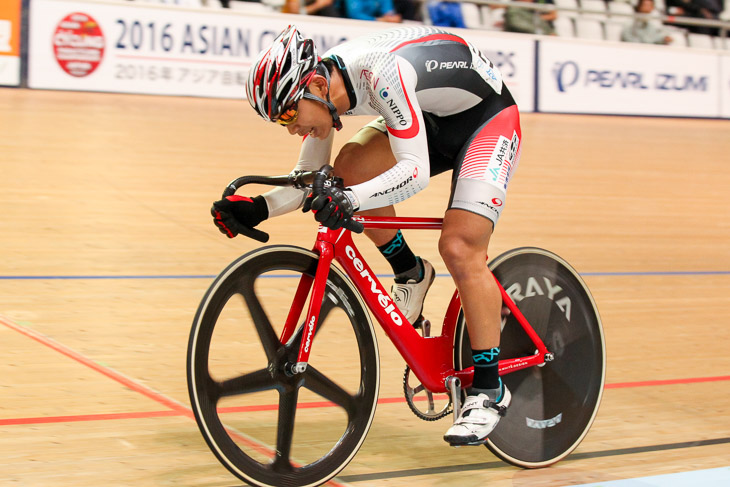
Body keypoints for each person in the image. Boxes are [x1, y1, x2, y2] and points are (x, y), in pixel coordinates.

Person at [212, 25, 521, 446]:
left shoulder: (380, 74)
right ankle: (410, 272)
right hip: (429, 116)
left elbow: (412, 173)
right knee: (346, 172)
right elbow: (312, 179)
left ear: (317, 85)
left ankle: (489, 389)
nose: (289, 129)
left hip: (487, 120)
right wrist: (260, 207)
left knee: (460, 247)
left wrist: (350, 200)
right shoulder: (327, 90)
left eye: (288, 115)